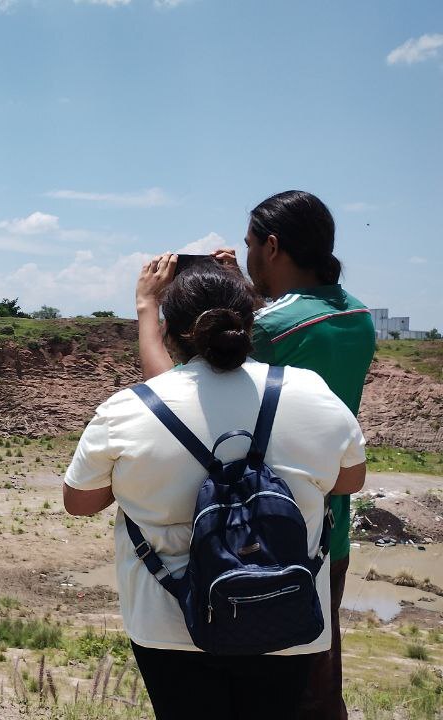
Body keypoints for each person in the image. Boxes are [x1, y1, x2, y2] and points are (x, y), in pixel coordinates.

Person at [65, 264, 366, 719]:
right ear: (250, 324)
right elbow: (349, 480)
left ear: (168, 333)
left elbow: (79, 502)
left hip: (169, 623)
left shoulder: (128, 410)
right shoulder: (310, 391)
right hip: (284, 612)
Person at [136, 190, 375, 719]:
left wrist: (149, 308)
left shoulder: (267, 327)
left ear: (271, 246)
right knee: (315, 682)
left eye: (248, 245)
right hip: (324, 528)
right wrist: (241, 292)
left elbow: (176, 395)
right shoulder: (357, 316)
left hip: (252, 528)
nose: (244, 256)